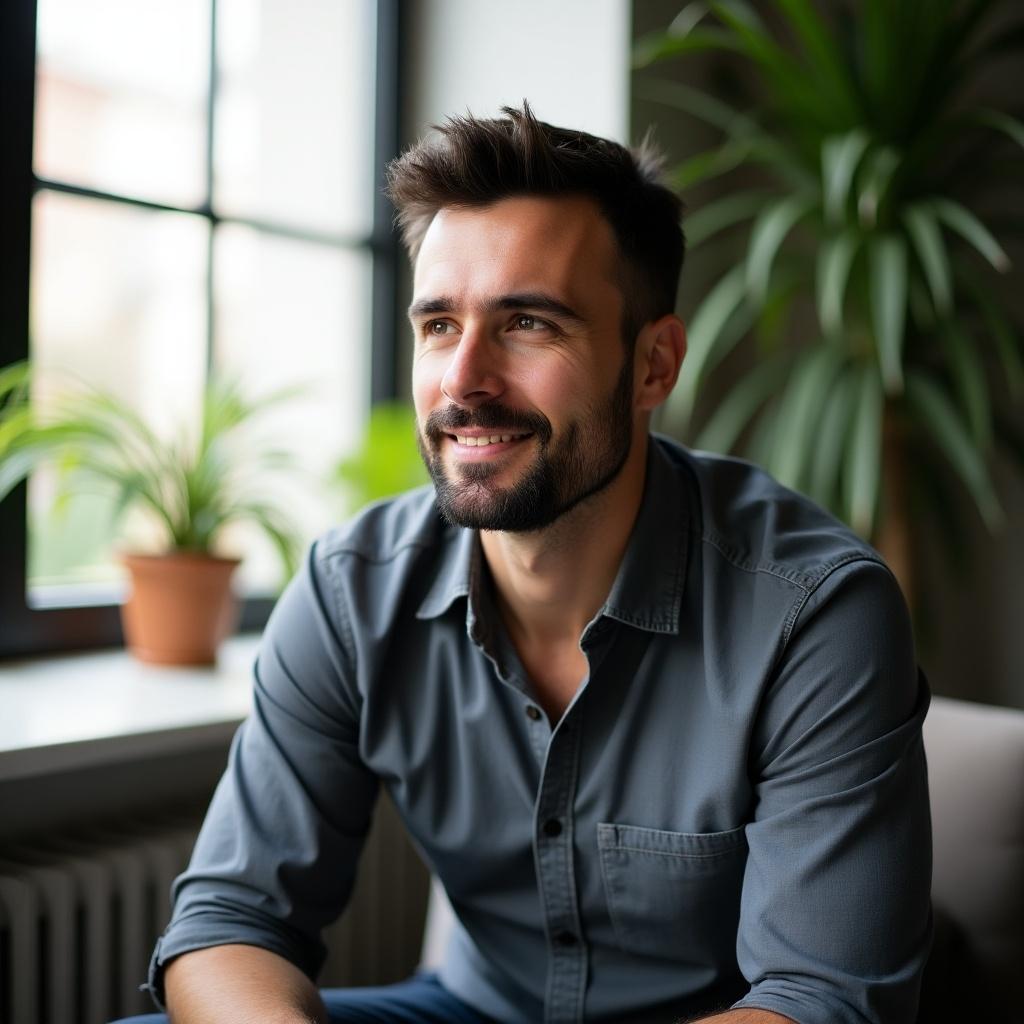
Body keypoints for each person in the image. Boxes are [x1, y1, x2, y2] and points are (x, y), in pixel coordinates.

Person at [127, 103, 932, 1024]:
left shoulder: (815, 615)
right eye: (438, 324)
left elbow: (821, 1002)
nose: (463, 379)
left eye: (529, 324)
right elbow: (229, 920)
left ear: (653, 366)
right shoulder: (353, 589)